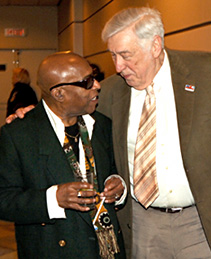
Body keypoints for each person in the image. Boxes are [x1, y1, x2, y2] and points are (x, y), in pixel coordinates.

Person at [97, 7, 211, 259]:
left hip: (200, 222)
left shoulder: (205, 73)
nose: (118, 66)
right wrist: (28, 117)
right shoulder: (110, 92)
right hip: (142, 224)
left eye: (126, 55)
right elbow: (66, 113)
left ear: (155, 46)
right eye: (113, 55)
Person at [0, 51, 126, 259]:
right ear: (59, 94)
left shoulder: (102, 125)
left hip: (108, 249)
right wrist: (53, 199)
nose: (97, 85)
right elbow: (4, 199)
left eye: (94, 77)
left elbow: (112, 168)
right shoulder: (18, 134)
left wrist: (118, 184)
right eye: (87, 82)